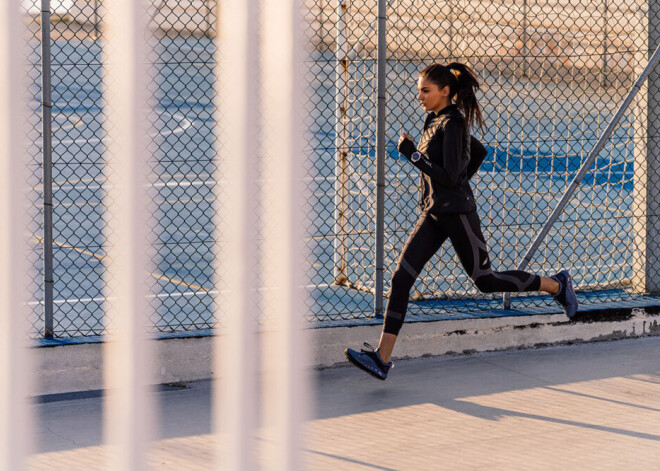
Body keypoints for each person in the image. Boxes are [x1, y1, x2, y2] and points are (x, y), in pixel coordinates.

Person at [345, 62, 578, 381]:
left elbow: (452, 176)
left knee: (485, 280)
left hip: (457, 215)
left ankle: (556, 284)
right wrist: (445, 183)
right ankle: (382, 359)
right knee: (401, 279)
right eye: (419, 90)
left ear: (445, 92)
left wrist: (414, 156)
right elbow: (477, 152)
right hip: (434, 212)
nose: (420, 96)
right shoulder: (435, 119)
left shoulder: (453, 122)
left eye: (425, 91)